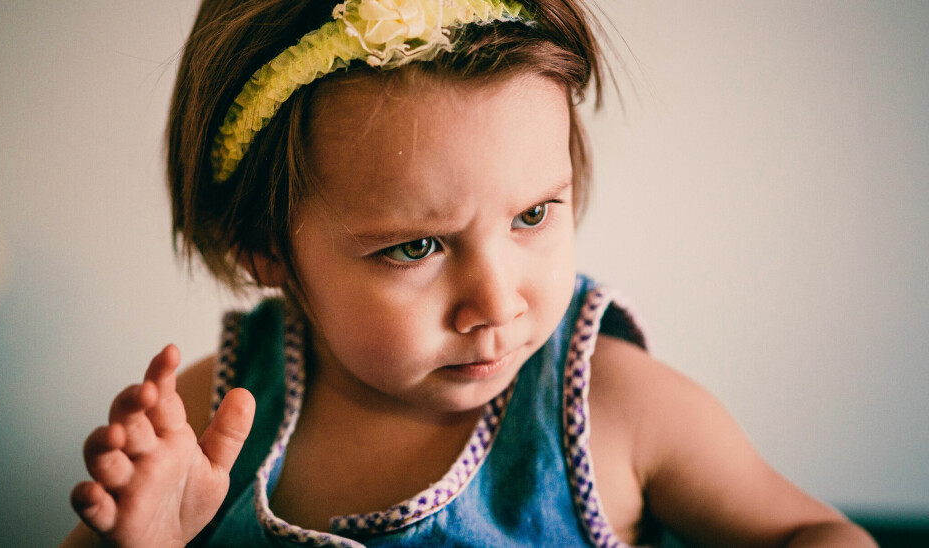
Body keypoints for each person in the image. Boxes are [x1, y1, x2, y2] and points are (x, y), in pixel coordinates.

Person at [61, 0, 876, 546]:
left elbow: (817, 533)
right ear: (263, 247)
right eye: (416, 248)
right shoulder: (216, 419)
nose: (498, 301)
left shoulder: (610, 406)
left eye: (533, 216)